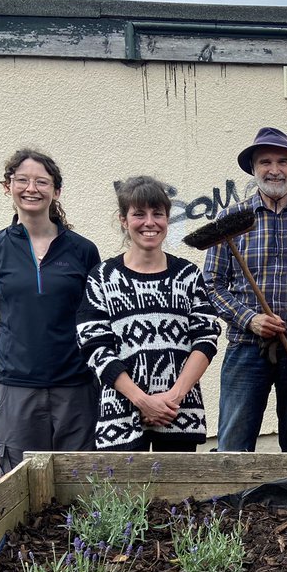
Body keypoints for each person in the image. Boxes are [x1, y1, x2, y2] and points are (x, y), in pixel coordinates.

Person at [204, 128, 287, 451]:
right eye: (265, 161)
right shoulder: (231, 219)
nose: (274, 169)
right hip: (246, 349)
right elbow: (212, 283)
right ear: (253, 168)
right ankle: (230, 502)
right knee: (234, 445)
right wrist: (251, 319)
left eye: (282, 161)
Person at [0, 148, 100, 475]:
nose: (32, 188)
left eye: (42, 181)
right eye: (22, 180)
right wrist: (11, 358)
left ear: (56, 190)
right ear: (7, 186)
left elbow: (95, 317)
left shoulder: (83, 251)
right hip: (16, 389)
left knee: (80, 482)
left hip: (76, 387)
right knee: (20, 483)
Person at [76, 176, 221, 452]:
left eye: (158, 214)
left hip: (178, 415)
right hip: (121, 416)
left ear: (168, 218)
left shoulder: (188, 275)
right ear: (123, 220)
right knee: (125, 496)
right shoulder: (102, 277)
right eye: (138, 214)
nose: (149, 222)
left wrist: (172, 399)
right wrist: (143, 401)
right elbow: (95, 347)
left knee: (180, 496)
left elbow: (206, 339)